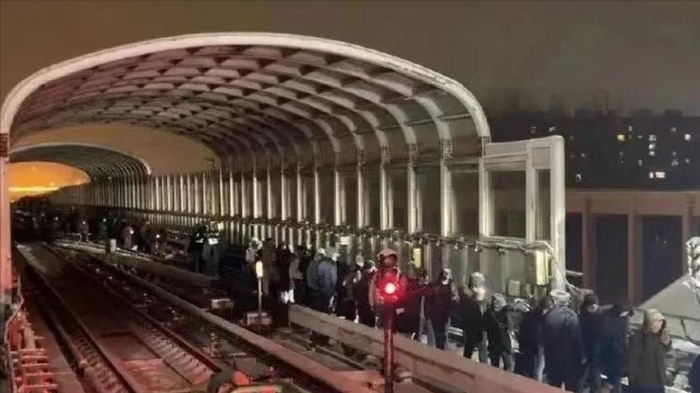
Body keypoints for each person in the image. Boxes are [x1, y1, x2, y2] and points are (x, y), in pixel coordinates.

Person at [542, 289, 584, 393]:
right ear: (566, 302)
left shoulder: (548, 316)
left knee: (553, 387)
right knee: (572, 388)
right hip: (570, 360)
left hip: (552, 359)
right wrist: (582, 356)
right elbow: (577, 339)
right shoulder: (571, 317)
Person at [627, 308, 672, 393]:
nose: (658, 327)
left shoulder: (661, 336)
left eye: (660, 325)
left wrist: (668, 344)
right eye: (655, 325)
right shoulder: (637, 338)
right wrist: (632, 380)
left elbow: (666, 350)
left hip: (658, 381)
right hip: (642, 383)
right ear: (648, 323)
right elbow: (632, 360)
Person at [515, 296, 550, 381]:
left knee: (532, 367)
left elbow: (522, 329)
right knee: (539, 367)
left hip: (528, 344)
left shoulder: (529, 314)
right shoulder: (545, 316)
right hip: (539, 343)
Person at [599, 303, 631, 393]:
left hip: (603, 367)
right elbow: (619, 354)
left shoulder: (604, 322)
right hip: (614, 367)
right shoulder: (618, 327)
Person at [425, 268, 458, 350]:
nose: (446, 275)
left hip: (446, 314)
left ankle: (442, 352)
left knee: (444, 336)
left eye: (448, 273)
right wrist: (428, 314)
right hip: (436, 314)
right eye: (445, 273)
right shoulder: (434, 285)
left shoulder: (451, 285)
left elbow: (455, 299)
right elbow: (429, 299)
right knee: (437, 335)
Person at [460, 272, 488, 363]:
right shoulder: (467, 292)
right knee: (469, 348)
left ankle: (483, 367)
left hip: (481, 325)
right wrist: (478, 296)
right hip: (471, 325)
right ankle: (466, 366)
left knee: (482, 349)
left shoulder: (482, 291)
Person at [579, 293, 603, 392]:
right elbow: (578, 338)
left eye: (595, 305)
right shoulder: (580, 319)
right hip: (584, 356)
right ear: (586, 306)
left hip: (597, 356)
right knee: (581, 382)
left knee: (596, 383)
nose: (593, 308)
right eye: (591, 306)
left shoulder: (601, 318)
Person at [484, 293, 515, 371]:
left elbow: (485, 327)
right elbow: (510, 326)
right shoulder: (504, 313)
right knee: (509, 365)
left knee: (495, 366)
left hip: (493, 343)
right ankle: (506, 381)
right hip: (504, 343)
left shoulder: (488, 313)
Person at [397, 264, 427, 340]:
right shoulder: (413, 287)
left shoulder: (417, 286)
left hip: (415, 317)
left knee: (414, 337)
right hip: (408, 317)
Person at [315, 248, 339, 314]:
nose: (336, 258)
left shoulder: (321, 263)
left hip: (322, 288)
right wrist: (334, 289)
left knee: (322, 307)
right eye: (335, 256)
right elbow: (334, 278)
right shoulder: (332, 264)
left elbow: (318, 276)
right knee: (329, 307)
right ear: (332, 255)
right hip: (330, 289)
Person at [355, 260, 376, 327]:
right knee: (369, 324)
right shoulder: (369, 277)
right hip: (367, 304)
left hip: (361, 303)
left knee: (362, 323)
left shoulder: (360, 274)